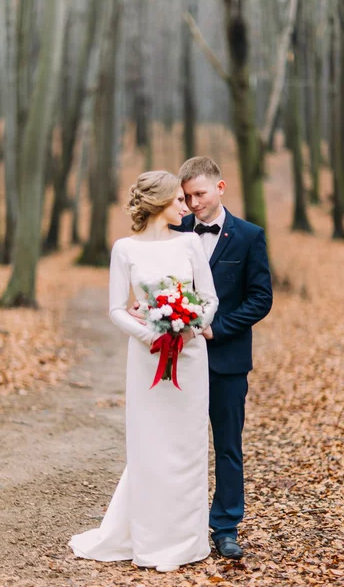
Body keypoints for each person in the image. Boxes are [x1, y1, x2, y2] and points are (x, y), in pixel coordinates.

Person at [69, 171, 219, 573]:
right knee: (150, 444)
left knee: (187, 446)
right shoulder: (124, 249)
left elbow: (209, 298)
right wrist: (150, 332)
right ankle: (150, 539)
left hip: (189, 357)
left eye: (187, 201)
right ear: (159, 203)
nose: (186, 207)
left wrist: (187, 328)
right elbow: (117, 308)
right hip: (146, 358)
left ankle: (186, 541)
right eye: (178, 201)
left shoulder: (189, 243)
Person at [130, 156, 273, 560]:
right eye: (187, 196)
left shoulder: (249, 236)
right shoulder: (172, 233)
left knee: (227, 445)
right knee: (179, 444)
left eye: (200, 194)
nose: (192, 204)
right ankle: (179, 526)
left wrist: (217, 327)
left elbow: (261, 298)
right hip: (177, 360)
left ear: (220, 188)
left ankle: (225, 526)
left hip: (226, 360)